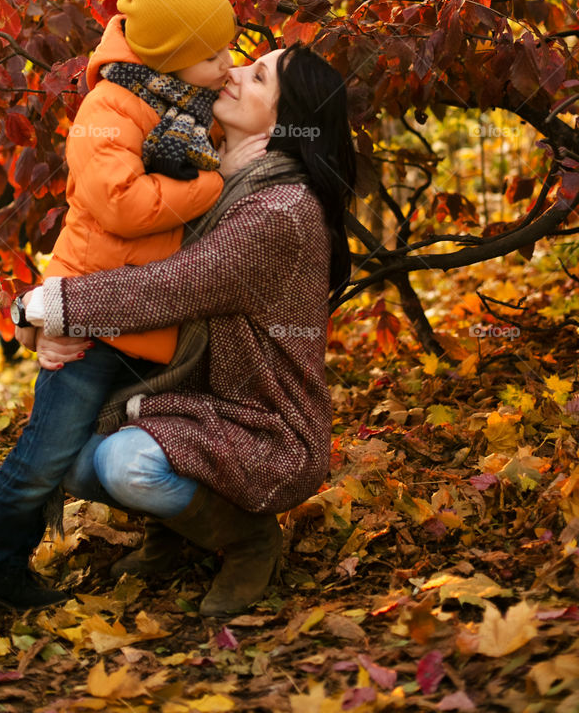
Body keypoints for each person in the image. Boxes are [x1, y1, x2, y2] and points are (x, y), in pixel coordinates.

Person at [0, 0, 241, 635]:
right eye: (212, 52)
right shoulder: (108, 108)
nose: (228, 63)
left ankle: (180, 539)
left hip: (150, 321)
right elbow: (124, 205)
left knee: (157, 442)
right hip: (94, 319)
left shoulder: (179, 101)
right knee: (45, 457)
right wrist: (215, 187)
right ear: (171, 56)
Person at [20, 42, 356, 618]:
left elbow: (165, 288)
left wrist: (44, 305)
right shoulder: (214, 175)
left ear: (285, 118)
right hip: (189, 401)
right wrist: (45, 322)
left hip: (264, 424)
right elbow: (117, 252)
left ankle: (249, 541)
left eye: (257, 78)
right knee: (71, 458)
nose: (234, 73)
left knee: (125, 465)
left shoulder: (279, 211)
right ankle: (179, 530)